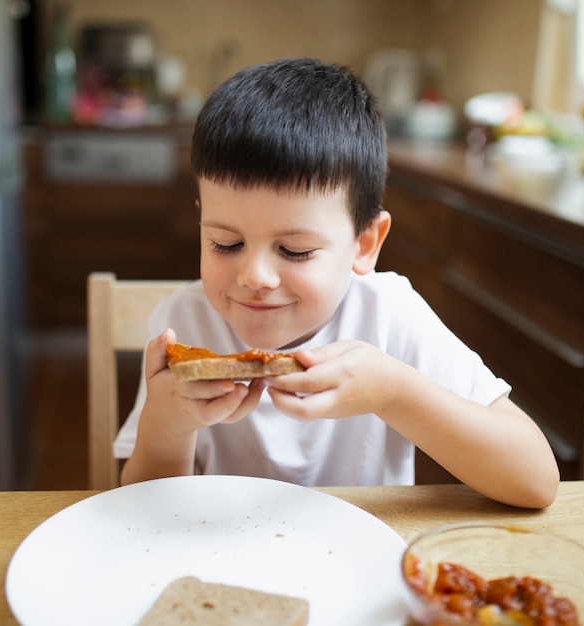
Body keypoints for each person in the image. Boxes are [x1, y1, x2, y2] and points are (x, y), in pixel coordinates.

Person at [115, 57, 559, 508]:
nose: (255, 277)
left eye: (295, 251)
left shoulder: (389, 315)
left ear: (365, 244)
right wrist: (167, 420)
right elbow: (139, 510)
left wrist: (395, 392)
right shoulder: (182, 322)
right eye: (226, 243)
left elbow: (536, 481)